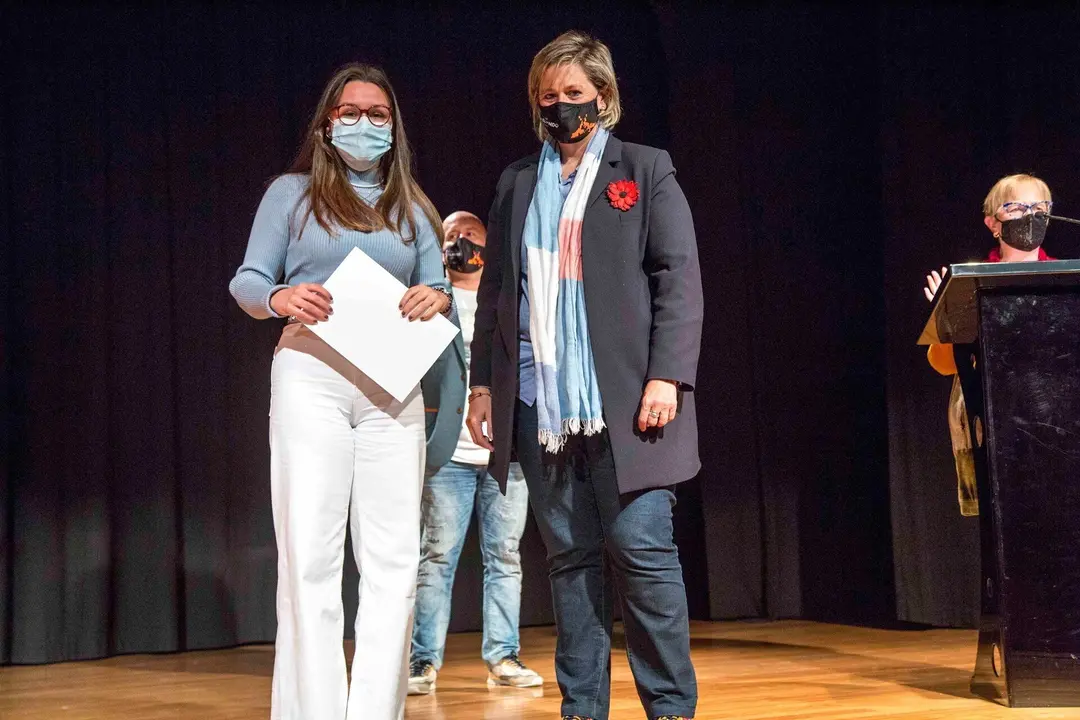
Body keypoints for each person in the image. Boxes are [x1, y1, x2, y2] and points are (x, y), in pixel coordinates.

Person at [465, 31, 702, 720]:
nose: (560, 106)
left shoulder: (645, 169)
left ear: (603, 97)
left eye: (573, 93)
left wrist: (667, 376)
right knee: (570, 563)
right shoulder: (516, 182)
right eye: (548, 96)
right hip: (540, 405)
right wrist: (483, 384)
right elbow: (497, 294)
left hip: (629, 403)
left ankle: (670, 710)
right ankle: (582, 710)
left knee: (642, 555)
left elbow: (678, 279)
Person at [228, 63, 456, 720]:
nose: (363, 123)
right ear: (327, 124)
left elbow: (438, 288)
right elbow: (248, 280)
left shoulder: (412, 206)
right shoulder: (291, 194)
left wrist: (435, 298)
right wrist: (280, 297)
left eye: (377, 114)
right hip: (313, 376)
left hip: (391, 386)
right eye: (349, 112)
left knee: (394, 561)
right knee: (310, 557)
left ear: (394, 127)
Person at [407, 211, 543, 695]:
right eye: (451, 235)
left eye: (470, 234)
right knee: (437, 556)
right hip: (450, 454)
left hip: (505, 454)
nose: (460, 241)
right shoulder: (432, 299)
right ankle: (422, 661)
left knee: (505, 555)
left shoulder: (510, 299)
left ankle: (503, 656)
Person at [922, 173, 1055, 514]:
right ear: (993, 223)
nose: (1030, 215)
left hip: (1057, 425)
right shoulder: (971, 282)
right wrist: (946, 317)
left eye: (1039, 208)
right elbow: (943, 365)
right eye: (1016, 207)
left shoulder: (1065, 278)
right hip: (993, 426)